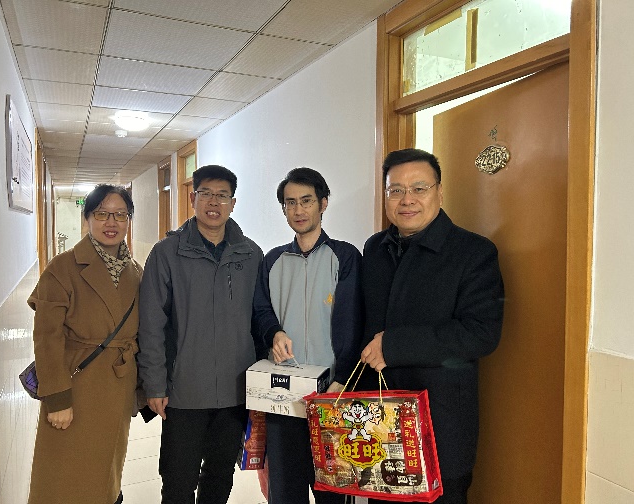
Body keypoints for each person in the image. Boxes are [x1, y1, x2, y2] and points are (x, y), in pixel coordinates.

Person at [359, 148, 505, 504]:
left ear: (439, 191)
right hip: (379, 423)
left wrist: (394, 346)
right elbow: (365, 326)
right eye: (395, 190)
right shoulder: (375, 249)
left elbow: (481, 333)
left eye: (419, 188)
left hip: (440, 425)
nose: (406, 200)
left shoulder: (473, 252)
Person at [137, 165, 263, 504]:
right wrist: (154, 384)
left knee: (220, 477)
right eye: (206, 193)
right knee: (178, 482)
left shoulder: (251, 254)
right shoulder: (167, 253)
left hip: (235, 391)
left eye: (222, 195)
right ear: (193, 198)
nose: (213, 202)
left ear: (233, 203)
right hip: (184, 392)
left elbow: (260, 319)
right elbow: (151, 324)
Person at [254, 167, 363, 504]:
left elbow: (354, 321)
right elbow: (261, 310)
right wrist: (274, 332)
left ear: (323, 204)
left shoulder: (345, 256)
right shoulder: (272, 260)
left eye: (306, 201)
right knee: (286, 489)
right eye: (290, 203)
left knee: (332, 489)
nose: (298, 210)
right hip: (283, 393)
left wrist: (343, 378)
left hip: (331, 392)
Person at [27, 184, 142, 504]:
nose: (112, 222)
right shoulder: (62, 267)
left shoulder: (135, 270)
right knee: (66, 473)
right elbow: (47, 338)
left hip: (118, 385)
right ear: (87, 218)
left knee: (106, 467)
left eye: (121, 215)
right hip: (75, 386)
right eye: (102, 214)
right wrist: (57, 399)